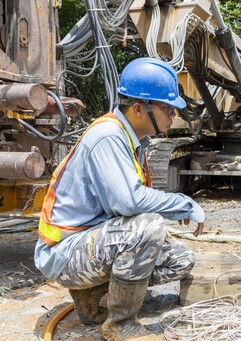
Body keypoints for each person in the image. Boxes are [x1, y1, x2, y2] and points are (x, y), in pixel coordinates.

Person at [34, 58, 205, 341]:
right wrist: (184, 205)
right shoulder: (108, 136)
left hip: (87, 241)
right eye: (167, 108)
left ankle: (92, 296)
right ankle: (121, 323)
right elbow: (128, 202)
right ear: (139, 108)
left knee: (181, 259)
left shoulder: (131, 139)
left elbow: (120, 206)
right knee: (147, 227)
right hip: (63, 254)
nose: (173, 114)